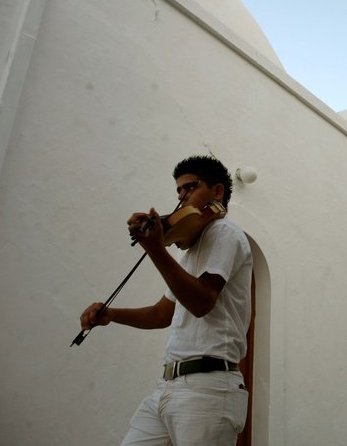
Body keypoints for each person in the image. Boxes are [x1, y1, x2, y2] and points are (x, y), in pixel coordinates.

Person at [80, 155, 253, 446]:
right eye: (178, 191)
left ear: (217, 191)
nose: (181, 197)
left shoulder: (224, 233)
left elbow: (202, 303)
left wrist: (156, 250)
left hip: (208, 388)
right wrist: (111, 314)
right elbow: (162, 313)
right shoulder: (190, 251)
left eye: (190, 187)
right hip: (169, 385)